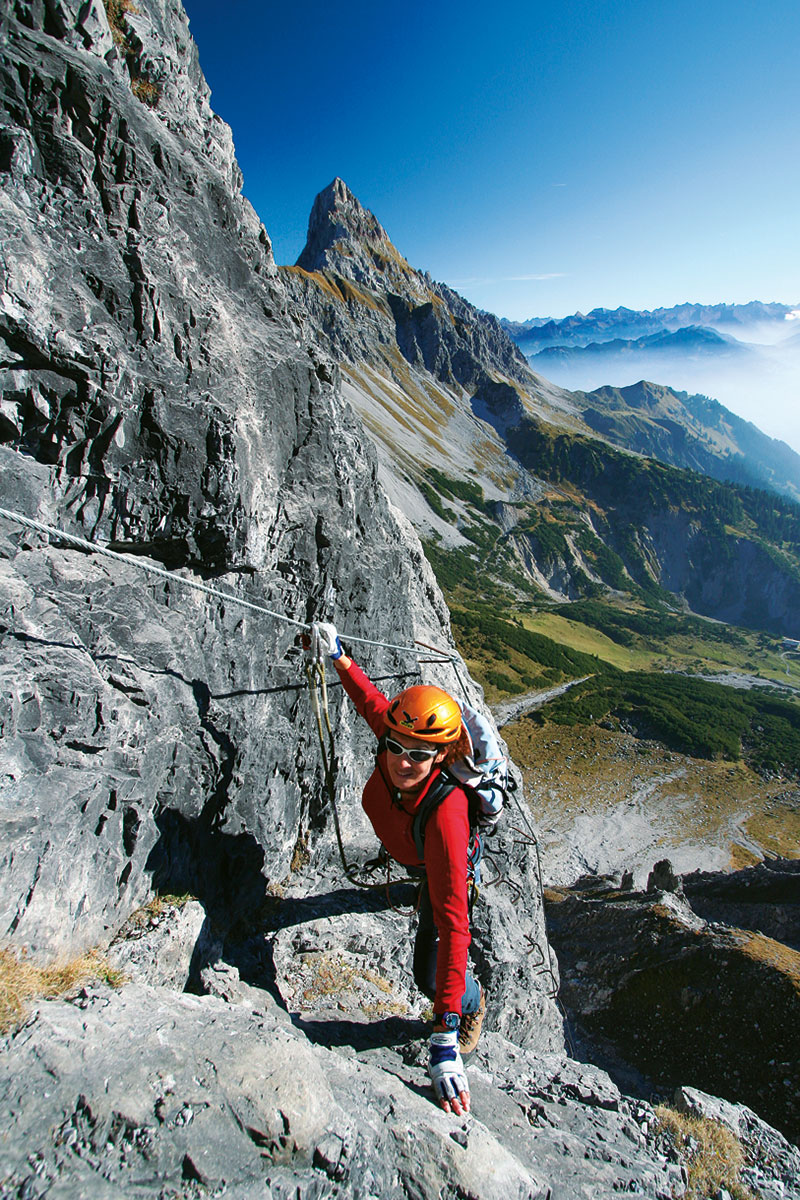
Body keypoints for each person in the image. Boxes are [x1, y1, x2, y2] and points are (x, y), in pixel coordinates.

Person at [310, 622, 487, 1116]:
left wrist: (446, 1033)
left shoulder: (448, 818)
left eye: (419, 755)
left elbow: (455, 926)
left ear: (440, 756)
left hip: (436, 867)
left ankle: (473, 1003)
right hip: (411, 849)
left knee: (427, 977)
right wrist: (339, 657)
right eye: (396, 747)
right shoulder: (396, 741)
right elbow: (373, 705)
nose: (402, 762)